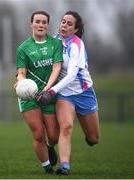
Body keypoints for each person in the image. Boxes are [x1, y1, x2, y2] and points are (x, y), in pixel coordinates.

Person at [38, 11, 100, 175]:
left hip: (84, 93)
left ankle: (88, 134)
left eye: (69, 24)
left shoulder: (77, 45)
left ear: (76, 29)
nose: (64, 25)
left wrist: (51, 92)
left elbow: (72, 75)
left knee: (94, 139)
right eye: (63, 22)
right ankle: (65, 166)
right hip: (65, 94)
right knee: (66, 127)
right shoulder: (54, 41)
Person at [14, 11, 63, 174]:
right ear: (31, 24)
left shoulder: (56, 44)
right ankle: (48, 168)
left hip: (48, 94)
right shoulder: (23, 48)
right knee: (38, 134)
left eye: (44, 22)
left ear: (48, 25)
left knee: (54, 136)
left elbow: (57, 67)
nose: (41, 25)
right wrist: (20, 82)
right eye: (37, 22)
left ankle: (50, 147)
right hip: (29, 96)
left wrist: (48, 89)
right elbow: (21, 72)